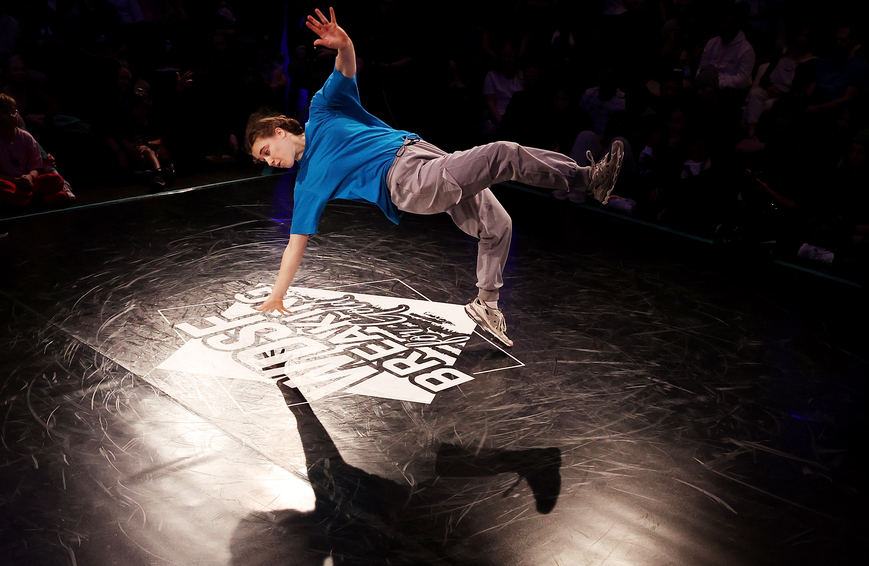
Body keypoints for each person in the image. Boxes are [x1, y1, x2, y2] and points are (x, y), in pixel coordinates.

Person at [245, 8, 624, 347]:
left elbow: (346, 66)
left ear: (279, 130)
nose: (270, 162)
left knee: (497, 226)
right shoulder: (307, 183)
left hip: (425, 156)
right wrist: (278, 295)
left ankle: (486, 305)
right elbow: (295, 245)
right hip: (409, 180)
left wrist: (345, 43)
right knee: (501, 153)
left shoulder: (323, 108)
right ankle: (588, 179)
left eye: (266, 151)